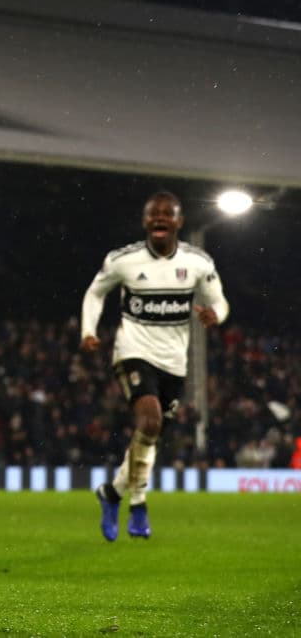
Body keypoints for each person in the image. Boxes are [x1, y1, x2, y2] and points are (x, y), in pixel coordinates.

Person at [80, 191, 229, 541]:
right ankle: (138, 504)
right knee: (150, 421)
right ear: (145, 221)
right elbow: (95, 293)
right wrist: (88, 330)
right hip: (133, 351)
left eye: (167, 214)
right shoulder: (124, 260)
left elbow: (219, 301)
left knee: (149, 435)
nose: (160, 218)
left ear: (179, 221)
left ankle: (111, 493)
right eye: (153, 214)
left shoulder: (198, 263)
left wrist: (215, 314)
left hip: (175, 364)